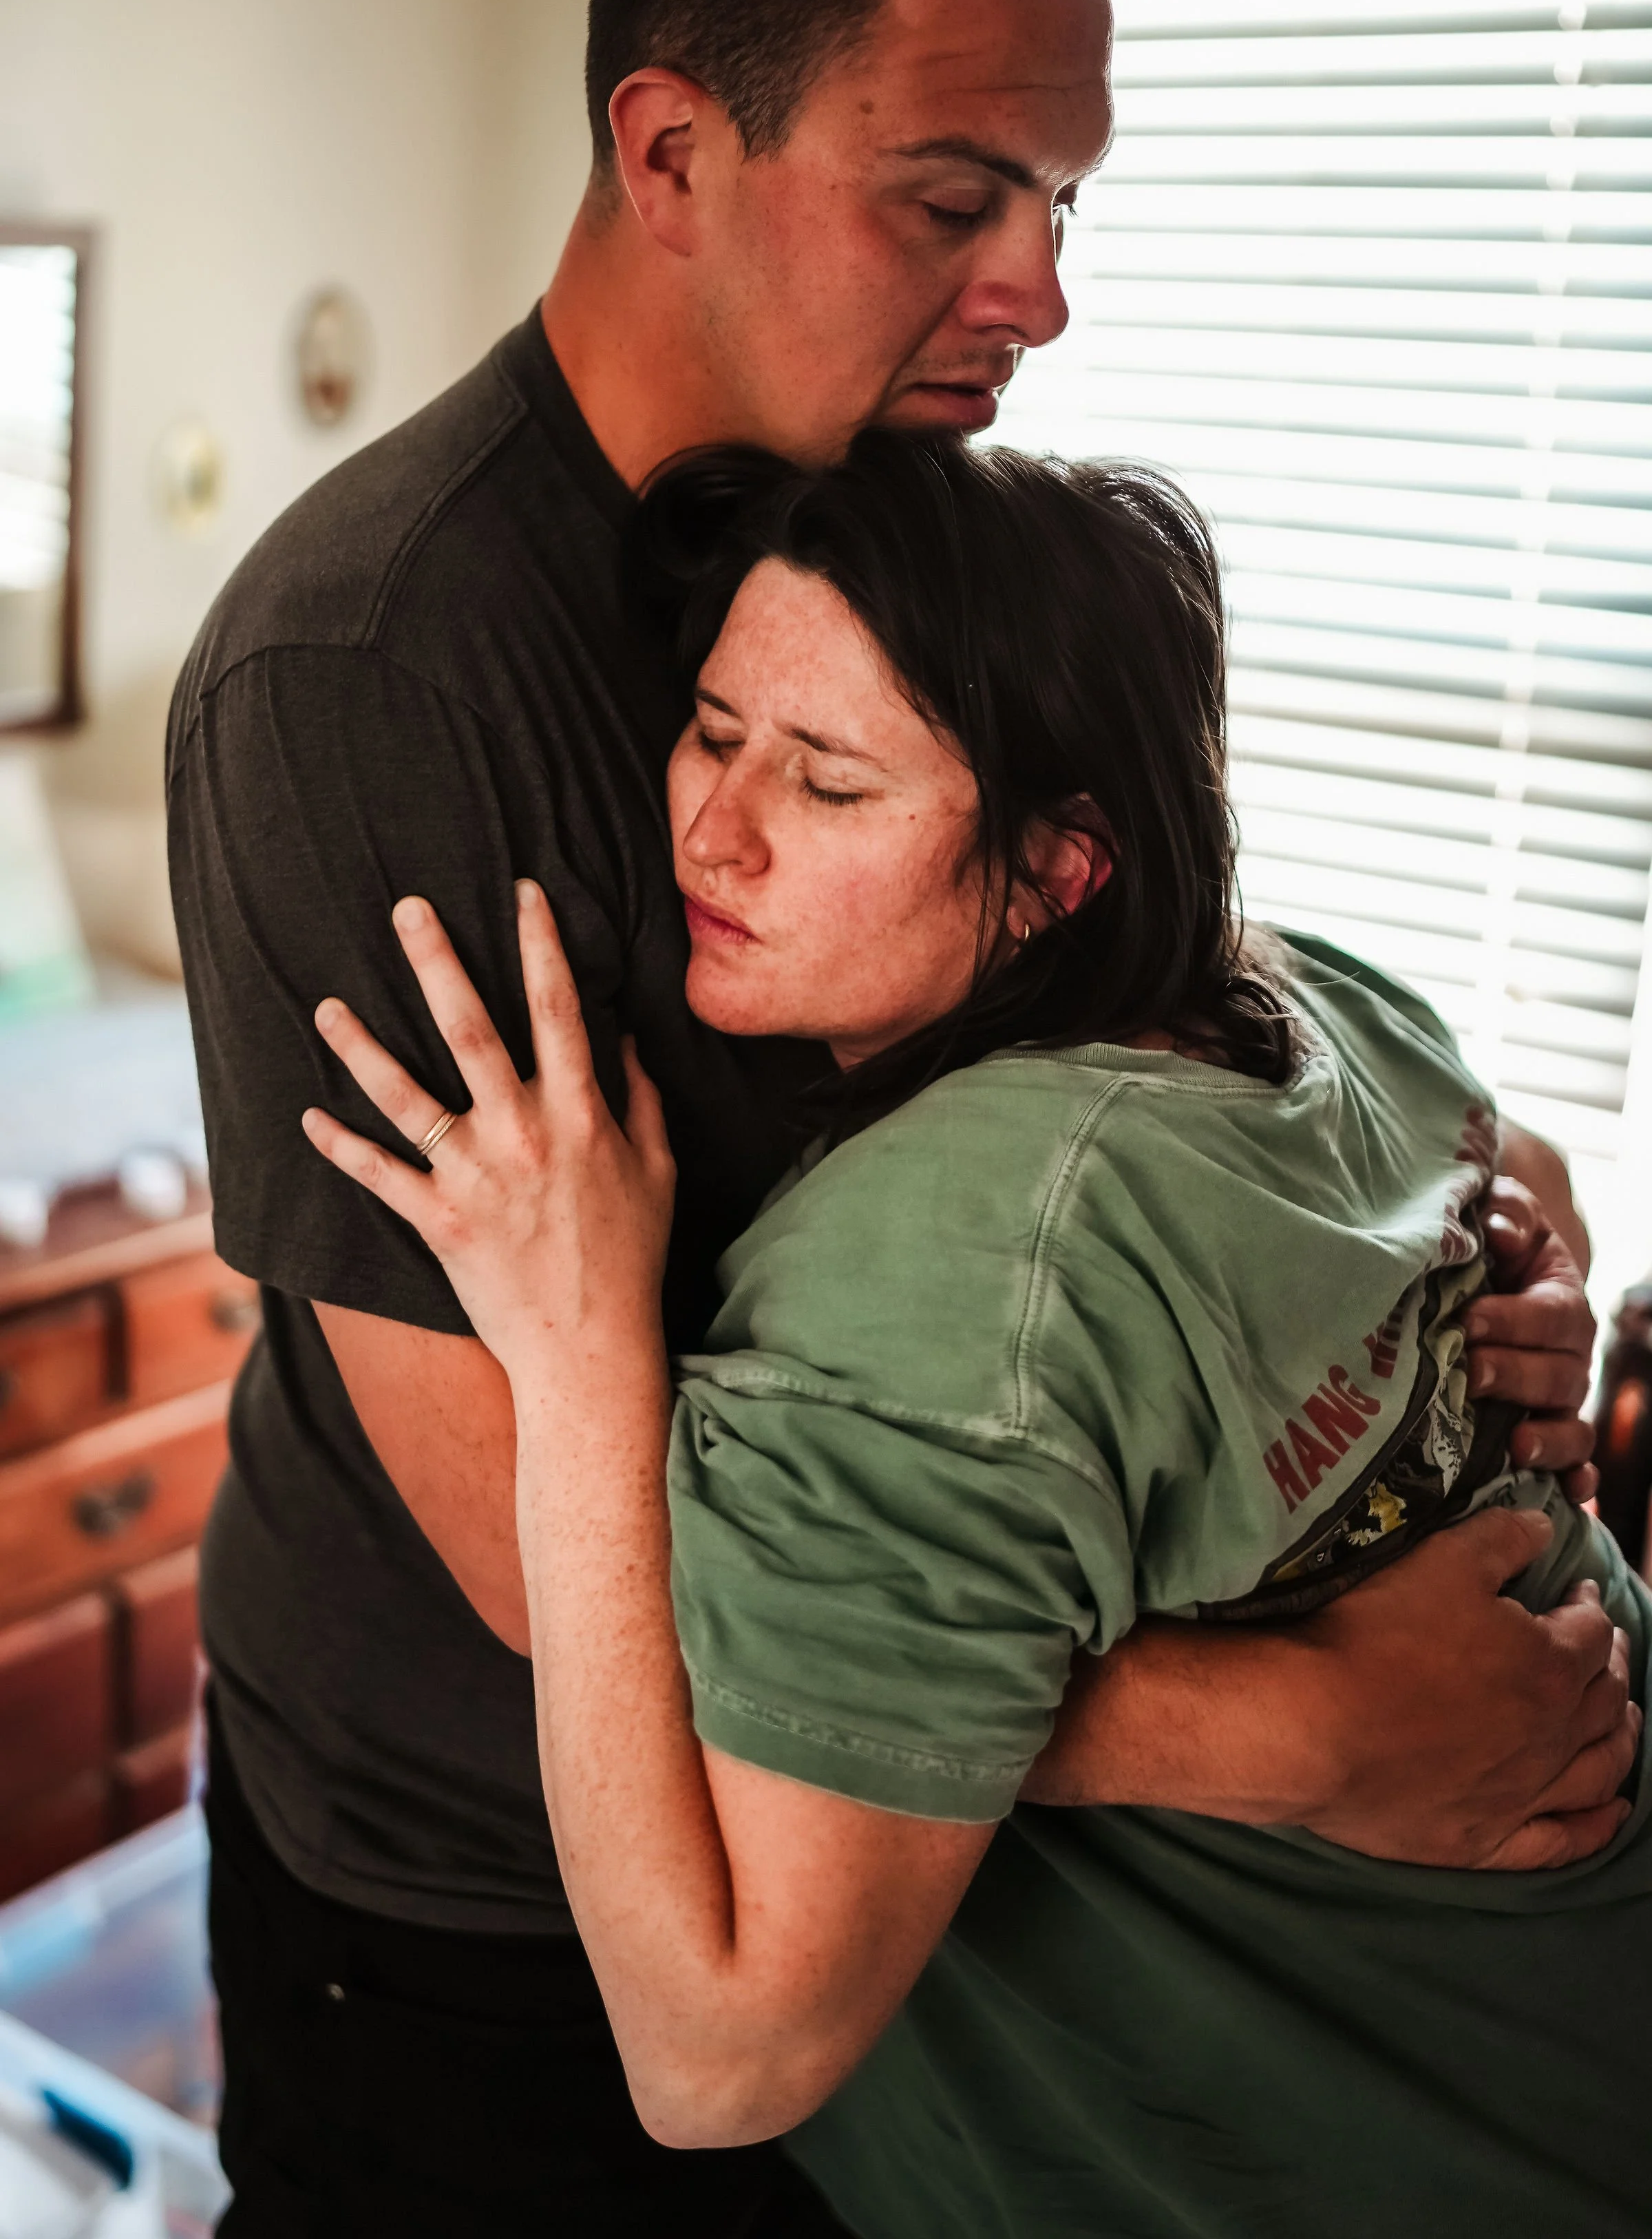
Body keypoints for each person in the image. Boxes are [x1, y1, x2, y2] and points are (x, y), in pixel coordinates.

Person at [166, 0, 1613, 2233]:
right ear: (669, 150)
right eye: (956, 201)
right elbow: (550, 1550)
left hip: (922, 1849)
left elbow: (1112, 937)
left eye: (1064, 210)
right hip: (504, 1894)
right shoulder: (370, 675)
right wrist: (1299, 1731)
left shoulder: (890, 504)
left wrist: (1442, 1243)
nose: (1042, 291)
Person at [304, 431, 1651, 2238]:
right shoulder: (1308, 998)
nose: (712, 828)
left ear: (1053, 875)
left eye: (833, 785)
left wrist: (577, 1359)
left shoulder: (947, 1274)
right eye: (713, 734)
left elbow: (714, 2061)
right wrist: (1519, 1228)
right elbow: (1524, 1148)